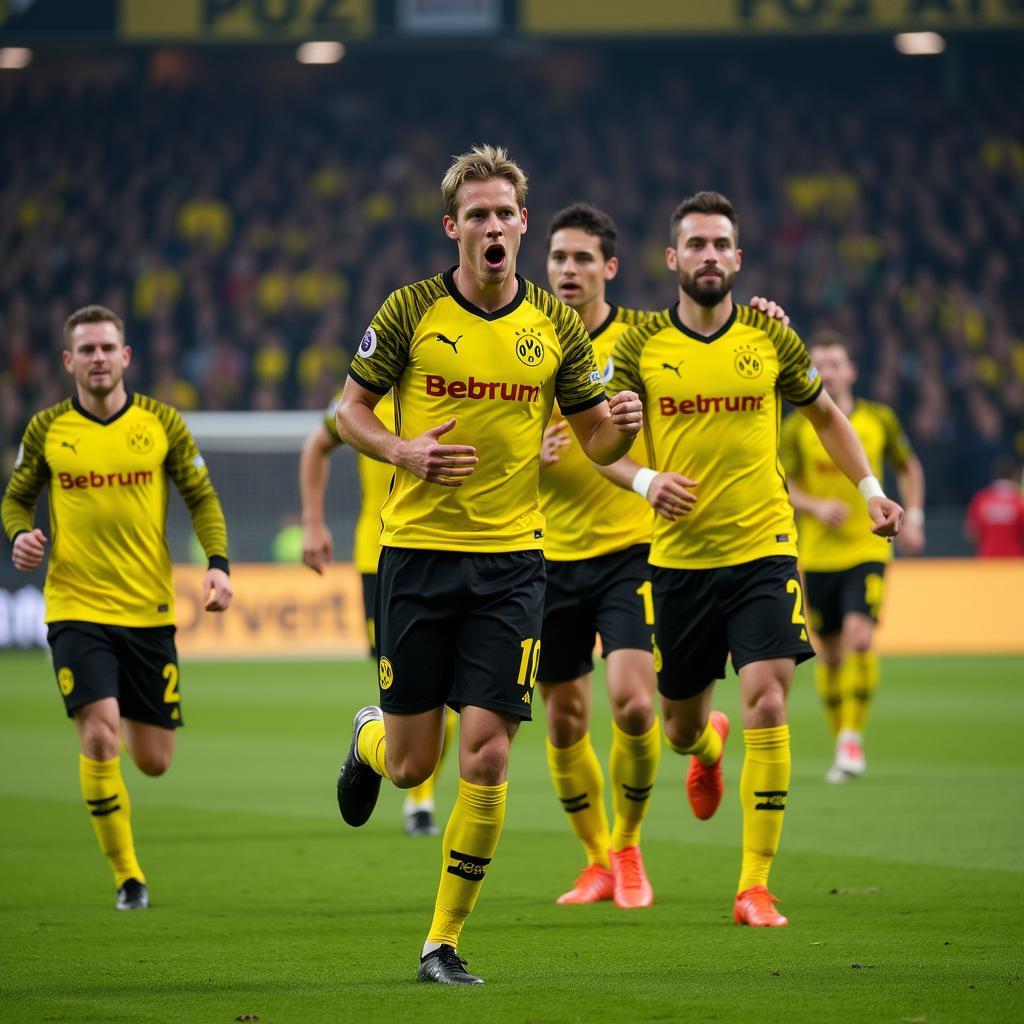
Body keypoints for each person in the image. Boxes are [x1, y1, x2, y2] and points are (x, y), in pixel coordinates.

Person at [333, 145, 642, 985]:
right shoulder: (407, 312)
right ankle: (368, 740)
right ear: (453, 227)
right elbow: (347, 409)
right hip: (418, 558)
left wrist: (626, 420)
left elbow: (599, 442)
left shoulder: (555, 325)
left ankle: (442, 942)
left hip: (512, 566)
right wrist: (402, 448)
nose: (493, 225)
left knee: (489, 756)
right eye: (477, 214)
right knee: (410, 766)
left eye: (506, 212)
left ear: (522, 222)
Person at [603, 191, 903, 928]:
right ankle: (707, 747)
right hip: (677, 562)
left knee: (768, 697)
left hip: (765, 549)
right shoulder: (640, 346)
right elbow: (597, 445)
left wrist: (870, 489)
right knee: (676, 728)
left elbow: (827, 414)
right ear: (672, 259)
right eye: (695, 244)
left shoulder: (773, 339)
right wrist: (644, 476)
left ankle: (754, 885)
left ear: (738, 258)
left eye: (721, 244)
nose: (709, 255)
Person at [538, 201, 790, 910]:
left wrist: (764, 320)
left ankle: (627, 845)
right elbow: (486, 447)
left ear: (610, 269)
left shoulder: (643, 338)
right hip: (546, 555)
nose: (569, 269)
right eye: (558, 257)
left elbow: (713, 336)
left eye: (583, 258)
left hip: (634, 549)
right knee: (562, 718)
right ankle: (595, 860)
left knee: (632, 705)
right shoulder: (528, 344)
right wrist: (526, 453)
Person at [1, 304, 232, 911]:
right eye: (88, 349)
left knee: (153, 760)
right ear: (68, 360)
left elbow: (202, 497)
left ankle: (122, 722)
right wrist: (19, 535)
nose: (99, 358)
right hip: (75, 606)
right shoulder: (46, 429)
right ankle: (128, 876)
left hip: (149, 610)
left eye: (108, 348)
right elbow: (15, 500)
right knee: (100, 737)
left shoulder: (161, 423)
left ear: (125, 357)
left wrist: (217, 565)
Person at [299, 390, 457, 836]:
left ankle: (419, 801)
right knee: (421, 691)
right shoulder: (365, 394)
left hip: (464, 554)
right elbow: (317, 444)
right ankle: (414, 792)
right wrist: (313, 522)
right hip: (386, 558)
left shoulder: (454, 378)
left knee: (457, 693)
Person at [780, 332, 926, 783]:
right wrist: (815, 507)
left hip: (867, 547)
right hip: (817, 555)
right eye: (818, 362)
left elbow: (908, 465)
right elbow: (784, 481)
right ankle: (840, 741)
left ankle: (851, 738)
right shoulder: (795, 426)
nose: (826, 369)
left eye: (835, 362)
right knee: (831, 655)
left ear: (851, 371)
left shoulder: (879, 418)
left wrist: (914, 516)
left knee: (860, 639)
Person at [964, 457, 1024, 557]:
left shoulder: (982, 499)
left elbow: (971, 533)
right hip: (1014, 563)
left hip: (987, 561)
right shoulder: (1019, 501)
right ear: (1015, 476)